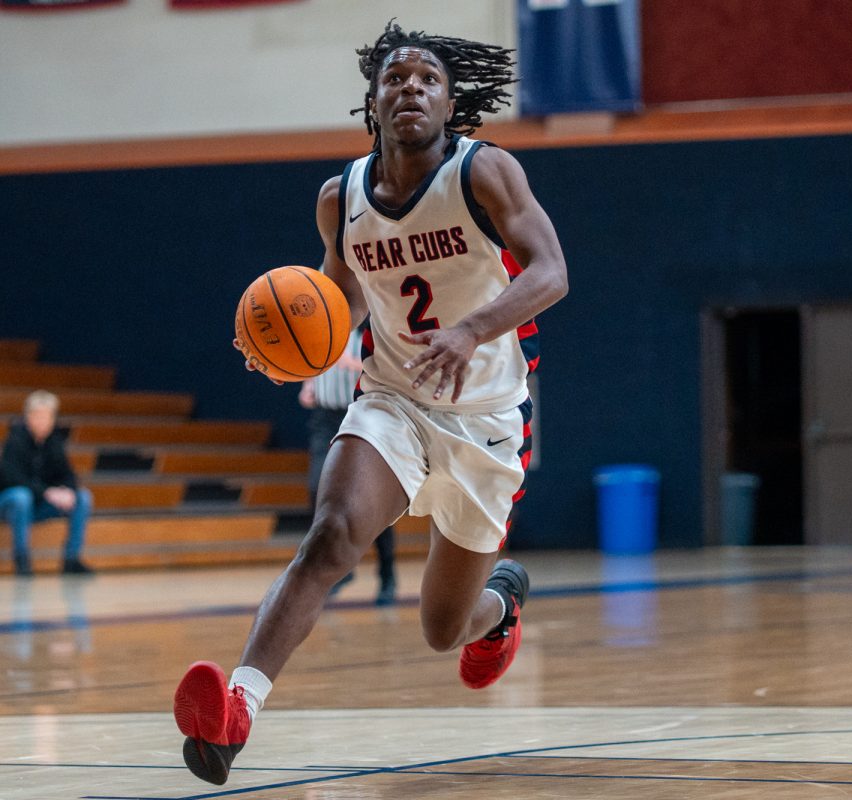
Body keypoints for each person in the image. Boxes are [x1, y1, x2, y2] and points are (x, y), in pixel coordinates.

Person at [172, 22, 568, 785]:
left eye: (427, 79)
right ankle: (236, 714)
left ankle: (503, 603)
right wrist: (292, 348)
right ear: (373, 102)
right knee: (330, 535)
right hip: (394, 400)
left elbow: (551, 271)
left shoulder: (485, 173)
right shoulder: (340, 197)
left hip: (487, 416)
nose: (411, 87)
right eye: (396, 78)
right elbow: (344, 296)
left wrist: (473, 329)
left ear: (449, 104)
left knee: (441, 627)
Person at [299, 321, 397, 606]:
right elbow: (313, 367)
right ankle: (340, 568)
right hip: (325, 418)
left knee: (374, 502)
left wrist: (349, 362)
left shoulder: (373, 327)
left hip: (361, 415)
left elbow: (389, 372)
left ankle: (387, 574)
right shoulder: (320, 329)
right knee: (317, 489)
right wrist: (308, 386)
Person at [0, 390, 94, 576]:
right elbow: (13, 478)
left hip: (39, 505)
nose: (44, 421)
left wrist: (67, 491)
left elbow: (68, 474)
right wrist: (46, 492)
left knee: (82, 497)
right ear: (28, 417)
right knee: (21, 496)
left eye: (48, 416)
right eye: (39, 416)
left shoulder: (54, 442)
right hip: (10, 505)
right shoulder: (15, 441)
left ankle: (71, 559)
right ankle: (22, 559)